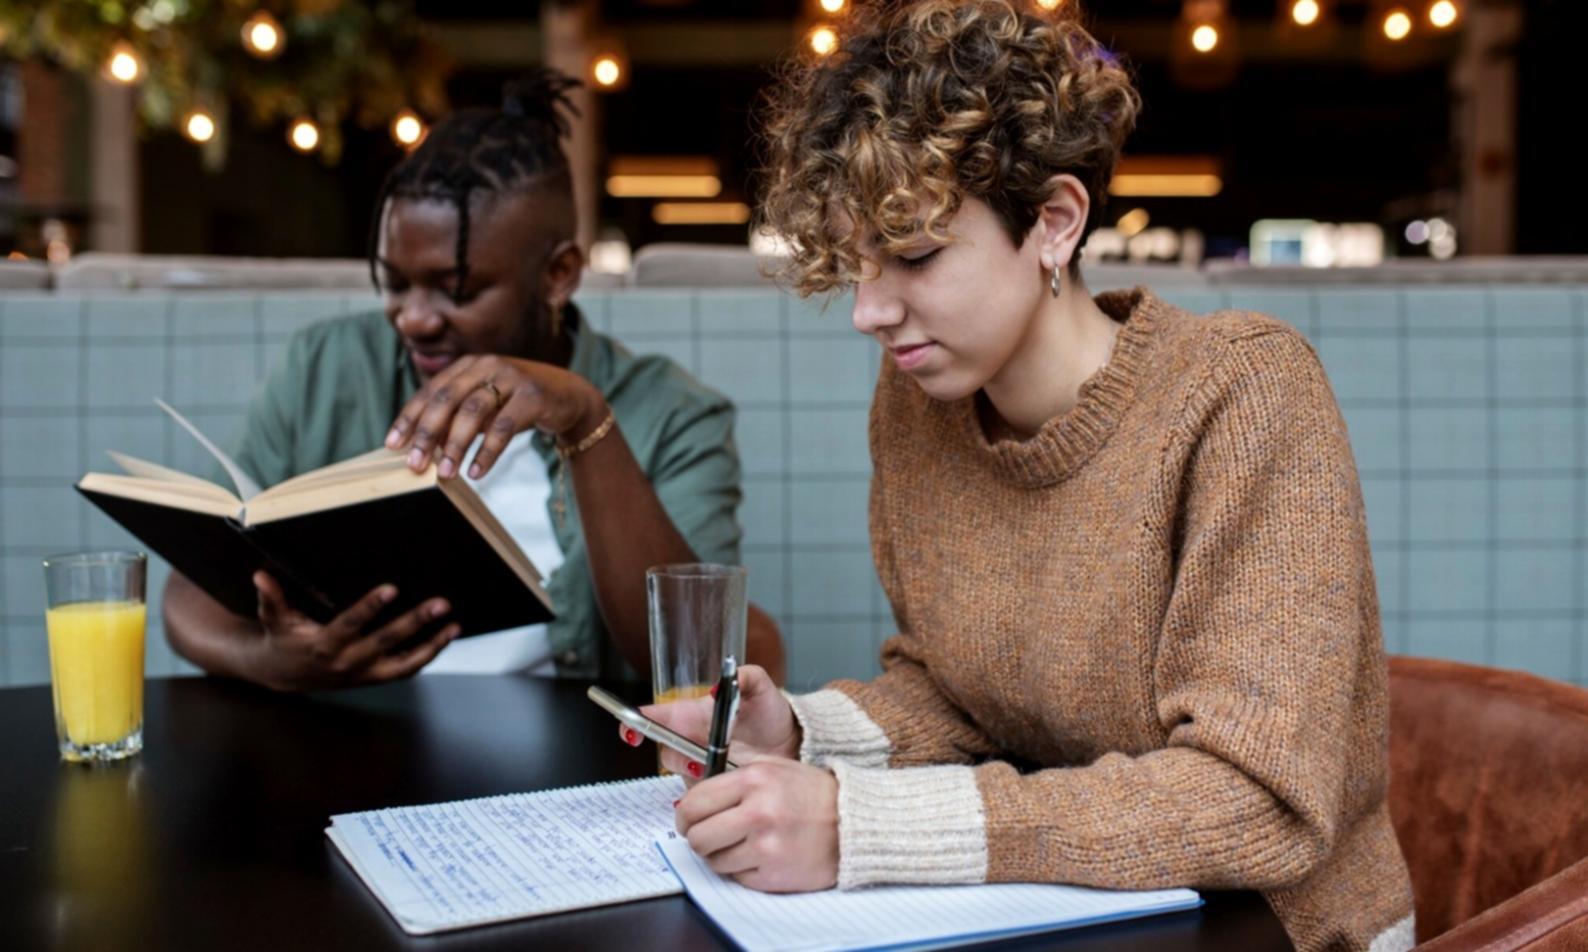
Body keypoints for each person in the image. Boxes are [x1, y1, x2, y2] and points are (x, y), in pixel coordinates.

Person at [634, 3, 1413, 950]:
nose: (869, 312)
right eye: (856, 264)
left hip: (1274, 930)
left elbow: (1259, 802)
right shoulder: (920, 397)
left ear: (1053, 221)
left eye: (914, 254)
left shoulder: (1243, 396)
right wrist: (800, 736)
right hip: (1066, 917)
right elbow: (960, 695)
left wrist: (860, 827)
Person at [164, 70, 784, 690]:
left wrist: (584, 421)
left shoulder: (673, 412)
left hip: (567, 757)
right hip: (359, 740)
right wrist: (272, 663)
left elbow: (698, 659)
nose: (414, 318)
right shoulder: (326, 366)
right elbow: (188, 600)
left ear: (560, 274)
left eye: (457, 290)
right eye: (396, 283)